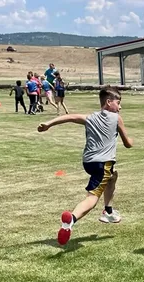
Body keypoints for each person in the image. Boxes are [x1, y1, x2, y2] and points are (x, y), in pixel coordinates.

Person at [37, 88, 133, 246]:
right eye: (118, 102)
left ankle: (108, 211)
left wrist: (48, 124)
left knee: (113, 176)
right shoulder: (116, 118)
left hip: (88, 162)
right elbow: (127, 144)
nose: (120, 107)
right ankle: (70, 220)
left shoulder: (90, 117)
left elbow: (70, 117)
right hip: (104, 163)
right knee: (92, 198)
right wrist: (132, 140)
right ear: (109, 102)